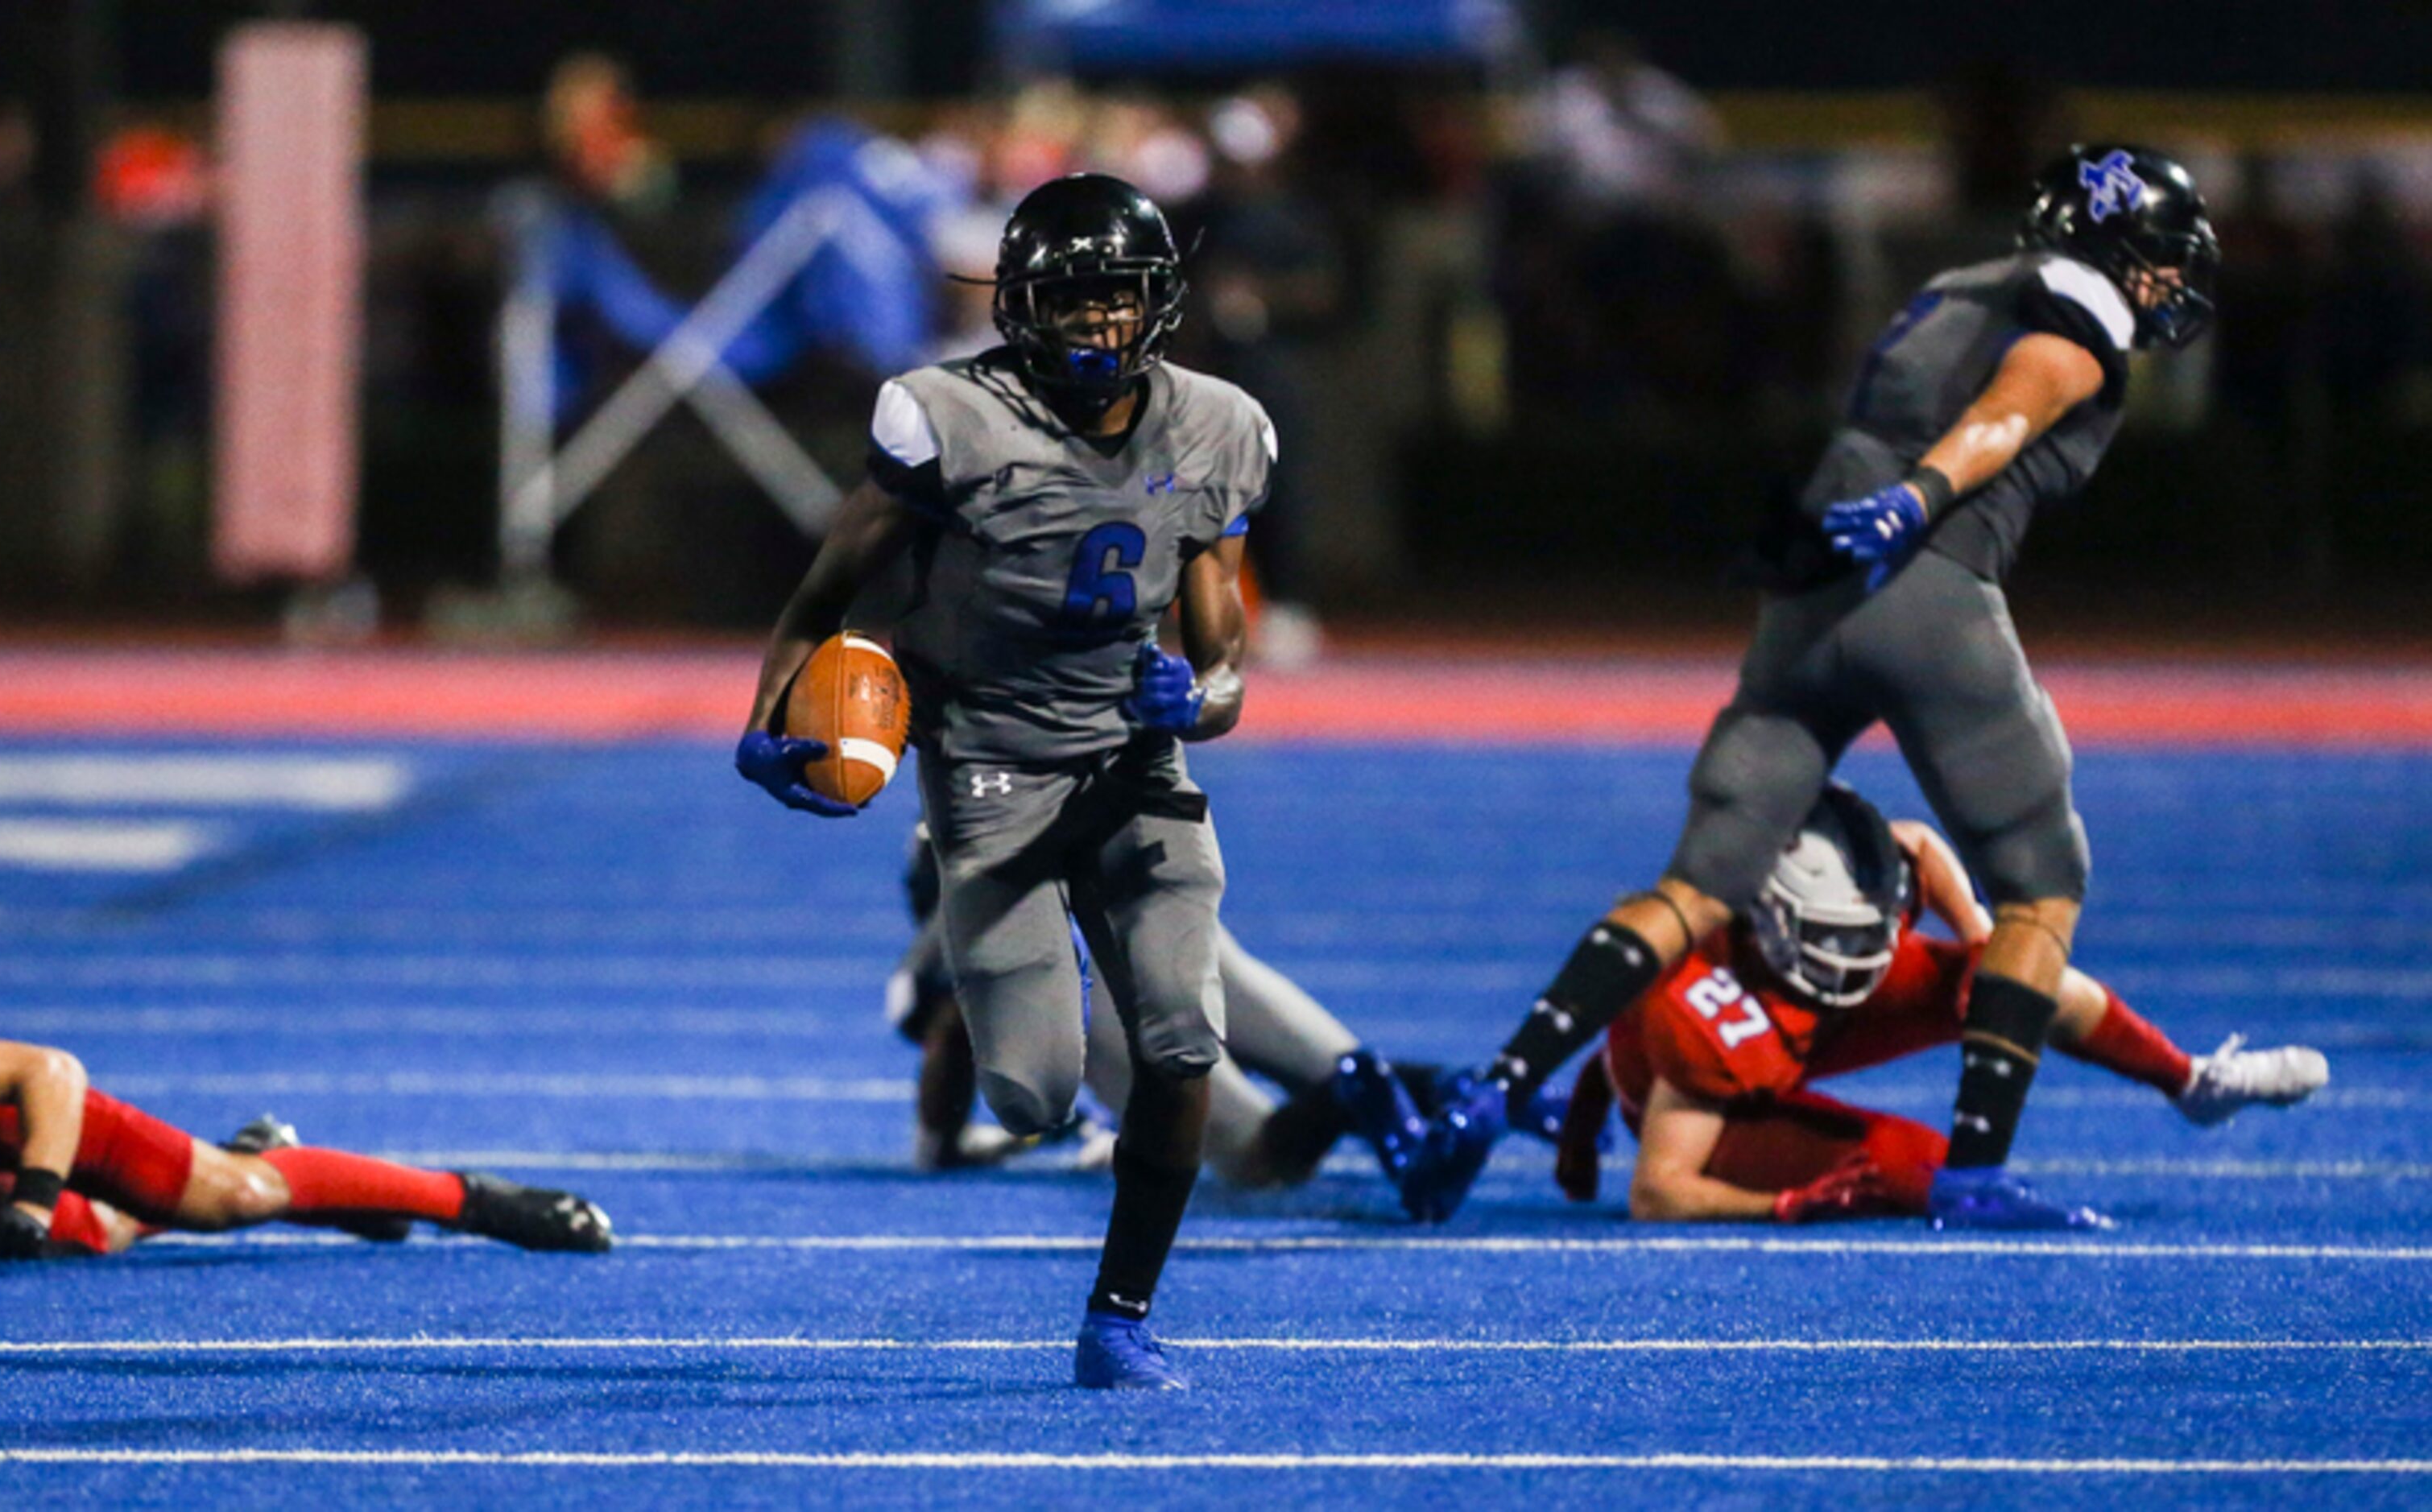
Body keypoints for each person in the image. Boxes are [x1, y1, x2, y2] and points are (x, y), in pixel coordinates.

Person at [1387, 144, 2227, 1230]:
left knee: (1696, 887)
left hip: (1806, 587)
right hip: (1922, 576)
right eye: (2154, 258)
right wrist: (1918, 501)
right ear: (2108, 248)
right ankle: (1972, 1169)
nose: (2163, 282)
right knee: (2040, 883)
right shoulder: (2076, 318)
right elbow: (2016, 400)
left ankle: (1494, 1089)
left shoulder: (1948, 290)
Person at [737, 174, 1271, 1388]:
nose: (1096, 324)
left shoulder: (1217, 427)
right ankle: (1031, 962)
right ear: (1022, 305)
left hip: (1132, 766)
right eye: (1073, 299)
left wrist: (1197, 699)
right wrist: (767, 711)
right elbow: (827, 586)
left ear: (1157, 303)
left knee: (1183, 1041)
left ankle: (1117, 1316)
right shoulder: (947, 419)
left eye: (1116, 298)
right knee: (1031, 1096)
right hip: (985, 769)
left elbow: (1224, 652)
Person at [1548, 784, 2327, 1223]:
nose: (1858, 950)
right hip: (1734, 1054)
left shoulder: (1869, 871)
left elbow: (1915, 841)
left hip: (1789, 1010)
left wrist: (1989, 944)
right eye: (1831, 935)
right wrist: (1781, 1205)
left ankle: (2188, 1081)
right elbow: (1657, 1191)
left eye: (1868, 929)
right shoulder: (1691, 994)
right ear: (1766, 916)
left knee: (2018, 978)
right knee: (1901, 1161)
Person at [0, 990, 613, 1274]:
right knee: (106, 1236)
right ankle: (272, 1157)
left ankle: (474, 1200)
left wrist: (30, 1197)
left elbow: (45, 1071)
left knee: (238, 1197)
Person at [883, 826, 1583, 1189]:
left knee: (1259, 1159)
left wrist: (938, 1144)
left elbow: (942, 1025)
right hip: (1173, 918)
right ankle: (1475, 1089)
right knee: (1311, 1054)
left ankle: (1349, 1097)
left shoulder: (961, 882)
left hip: (1094, 985)